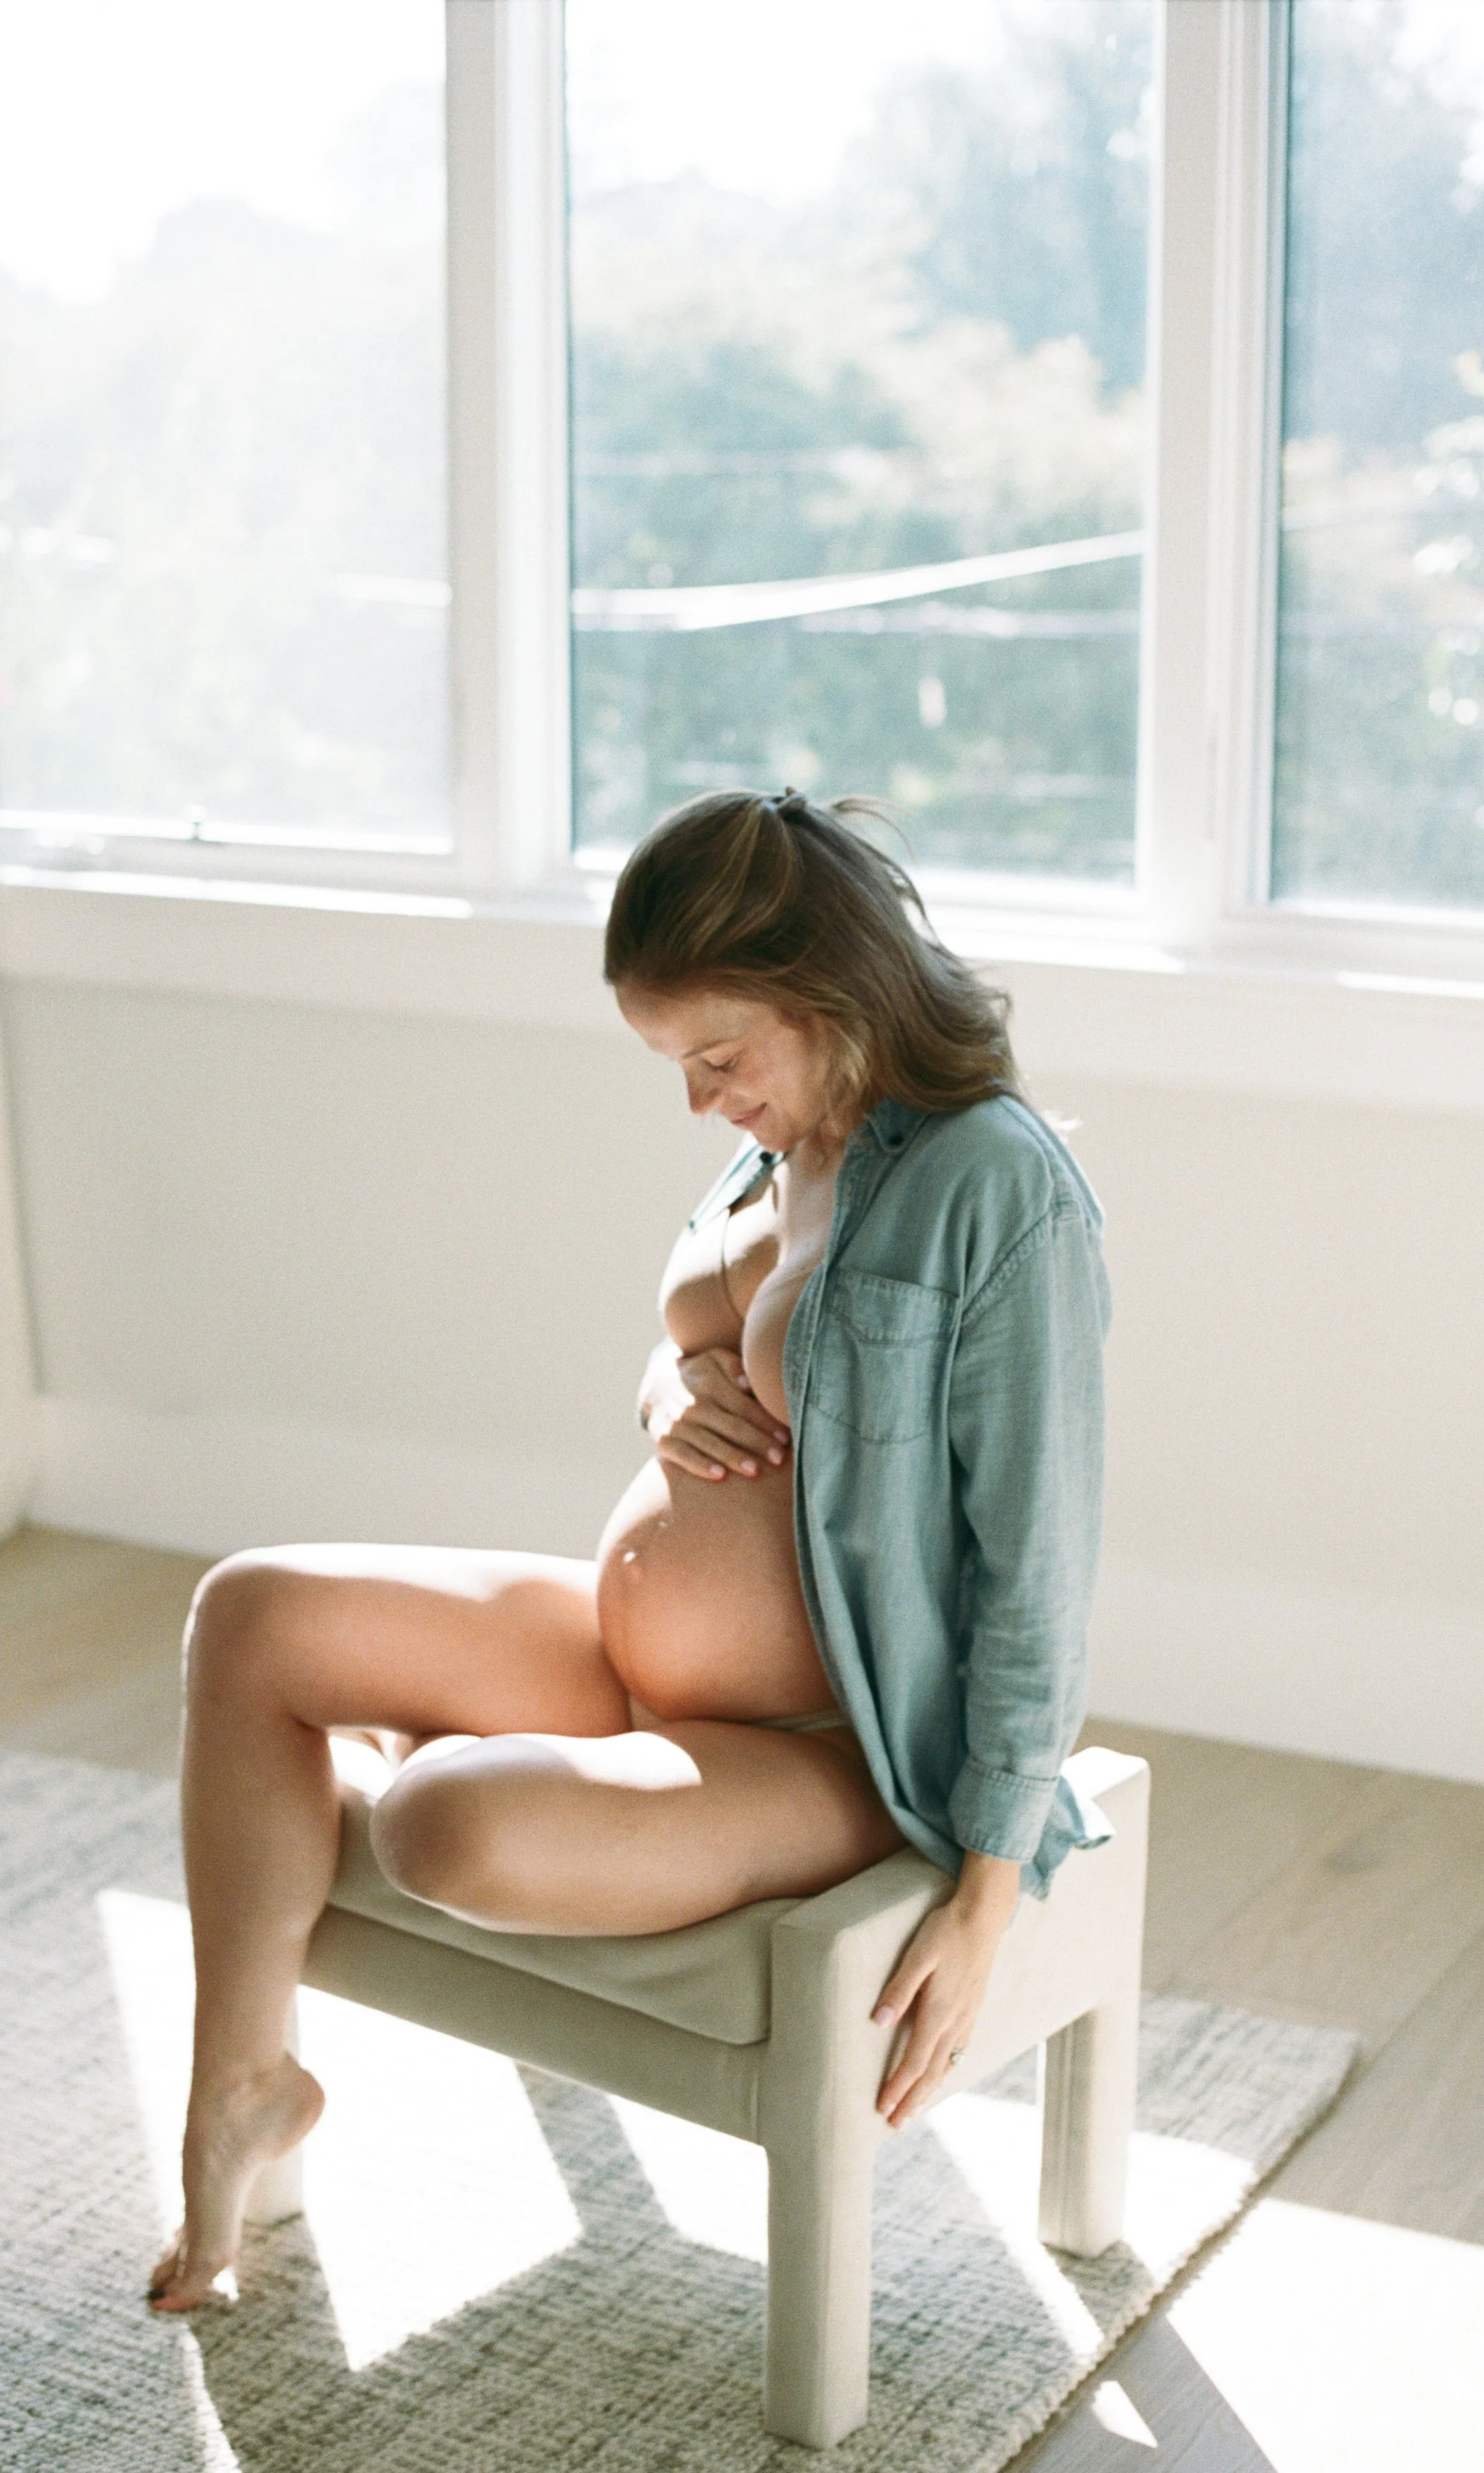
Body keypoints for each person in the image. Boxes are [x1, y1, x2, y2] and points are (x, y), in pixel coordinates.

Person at [149, 788, 1111, 2314]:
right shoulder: (786, 1137)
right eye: (678, 1066)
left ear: (828, 989)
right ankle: (242, 2089)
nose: (700, 1101)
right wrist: (670, 1384)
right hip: (633, 1665)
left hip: (819, 1743)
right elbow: (702, 1345)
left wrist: (988, 1894)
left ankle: (481, 1777)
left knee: (436, 1823)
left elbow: (1037, 1563)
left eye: (719, 1058)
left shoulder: (994, 1185)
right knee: (250, 1611)